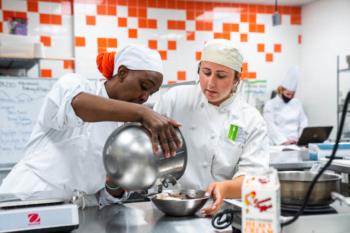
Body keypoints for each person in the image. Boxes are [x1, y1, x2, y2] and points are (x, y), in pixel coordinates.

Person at [0, 44, 181, 204]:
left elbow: (104, 196)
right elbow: (77, 106)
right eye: (144, 86)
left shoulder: (126, 132)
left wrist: (115, 184)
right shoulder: (76, 84)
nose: (144, 97)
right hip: (27, 198)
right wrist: (143, 113)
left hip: (80, 212)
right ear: (123, 72)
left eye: (151, 92)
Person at [153, 39, 269, 215]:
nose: (210, 83)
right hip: (170, 206)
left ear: (237, 78)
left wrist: (226, 188)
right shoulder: (175, 100)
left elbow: (254, 178)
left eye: (221, 76)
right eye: (206, 72)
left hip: (220, 211)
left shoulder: (251, 120)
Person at [263, 66, 308, 145]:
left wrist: (302, 138)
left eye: (292, 94)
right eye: (288, 94)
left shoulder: (297, 103)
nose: (290, 97)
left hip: (295, 143)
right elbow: (270, 125)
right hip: (278, 144)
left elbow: (303, 122)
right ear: (281, 90)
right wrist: (283, 141)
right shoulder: (270, 104)